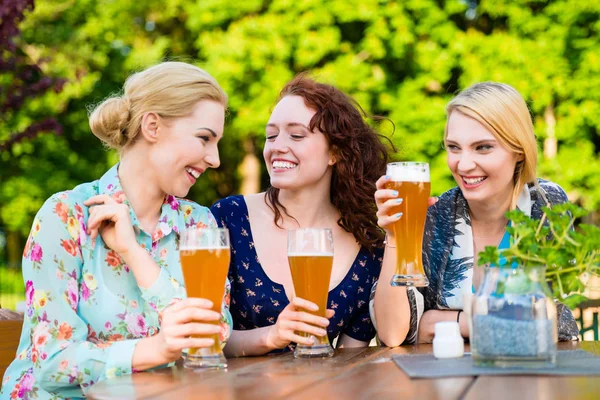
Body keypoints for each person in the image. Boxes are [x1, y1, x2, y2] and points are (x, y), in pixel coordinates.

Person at [1, 61, 233, 399]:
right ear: (152, 126)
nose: (214, 159)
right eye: (204, 139)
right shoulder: (65, 216)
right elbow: (52, 361)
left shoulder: (198, 225)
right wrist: (156, 350)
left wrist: (134, 254)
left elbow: (217, 333)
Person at [371, 82, 579, 346]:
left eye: (483, 147)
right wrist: (395, 235)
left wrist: (440, 322)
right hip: (447, 382)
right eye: (454, 147)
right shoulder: (435, 214)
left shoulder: (547, 204)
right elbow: (392, 334)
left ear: (519, 150)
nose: (464, 164)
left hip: (529, 377)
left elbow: (549, 323)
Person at [211, 76, 392, 356]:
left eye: (296, 135)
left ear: (335, 152)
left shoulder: (367, 249)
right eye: (271, 135)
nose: (277, 146)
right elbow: (203, 342)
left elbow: (351, 361)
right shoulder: (228, 218)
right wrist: (270, 337)